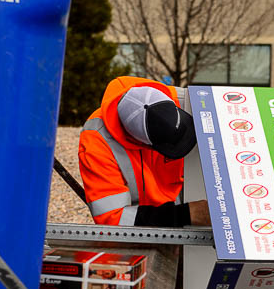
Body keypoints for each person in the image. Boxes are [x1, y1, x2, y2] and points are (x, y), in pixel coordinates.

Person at [79, 76, 210, 227]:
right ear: (143, 144)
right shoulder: (96, 142)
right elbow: (113, 219)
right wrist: (188, 214)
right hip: (148, 225)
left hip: (182, 211)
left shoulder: (186, 100)